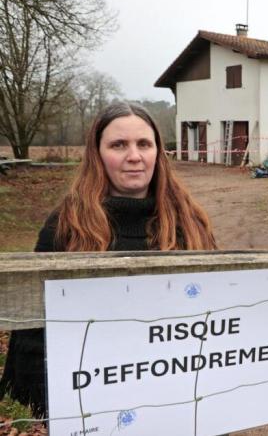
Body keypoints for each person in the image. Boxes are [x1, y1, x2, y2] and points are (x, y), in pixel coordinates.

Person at [0, 102, 217, 418]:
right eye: (119, 145)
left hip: (182, 407)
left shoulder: (191, 222)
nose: (134, 156)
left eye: (144, 144)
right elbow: (32, 339)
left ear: (158, 152)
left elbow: (218, 316)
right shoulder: (65, 226)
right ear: (97, 154)